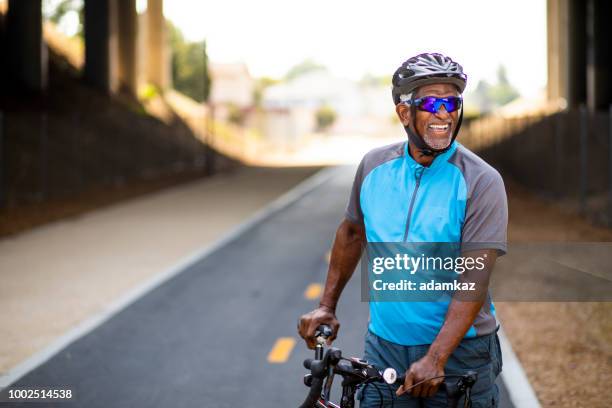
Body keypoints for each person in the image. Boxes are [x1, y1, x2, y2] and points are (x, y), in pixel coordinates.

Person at [298, 52, 508, 407]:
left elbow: (474, 278)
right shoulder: (374, 167)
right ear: (404, 112)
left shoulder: (480, 180)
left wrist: (436, 358)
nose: (444, 113)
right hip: (385, 347)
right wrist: (326, 305)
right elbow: (351, 232)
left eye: (452, 102)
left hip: (460, 352)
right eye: (431, 102)